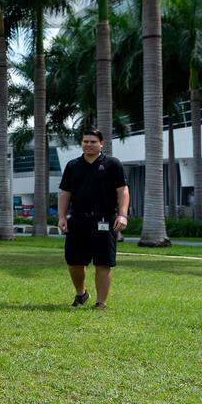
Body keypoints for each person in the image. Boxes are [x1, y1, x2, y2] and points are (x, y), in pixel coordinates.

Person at [58, 128, 129, 310]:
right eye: (85, 141)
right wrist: (61, 217)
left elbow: (123, 191)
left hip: (105, 220)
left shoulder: (113, 164)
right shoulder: (72, 166)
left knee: (103, 262)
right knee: (74, 262)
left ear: (101, 144)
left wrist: (122, 214)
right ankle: (81, 294)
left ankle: (101, 303)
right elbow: (65, 193)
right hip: (78, 220)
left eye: (93, 142)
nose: (88, 145)